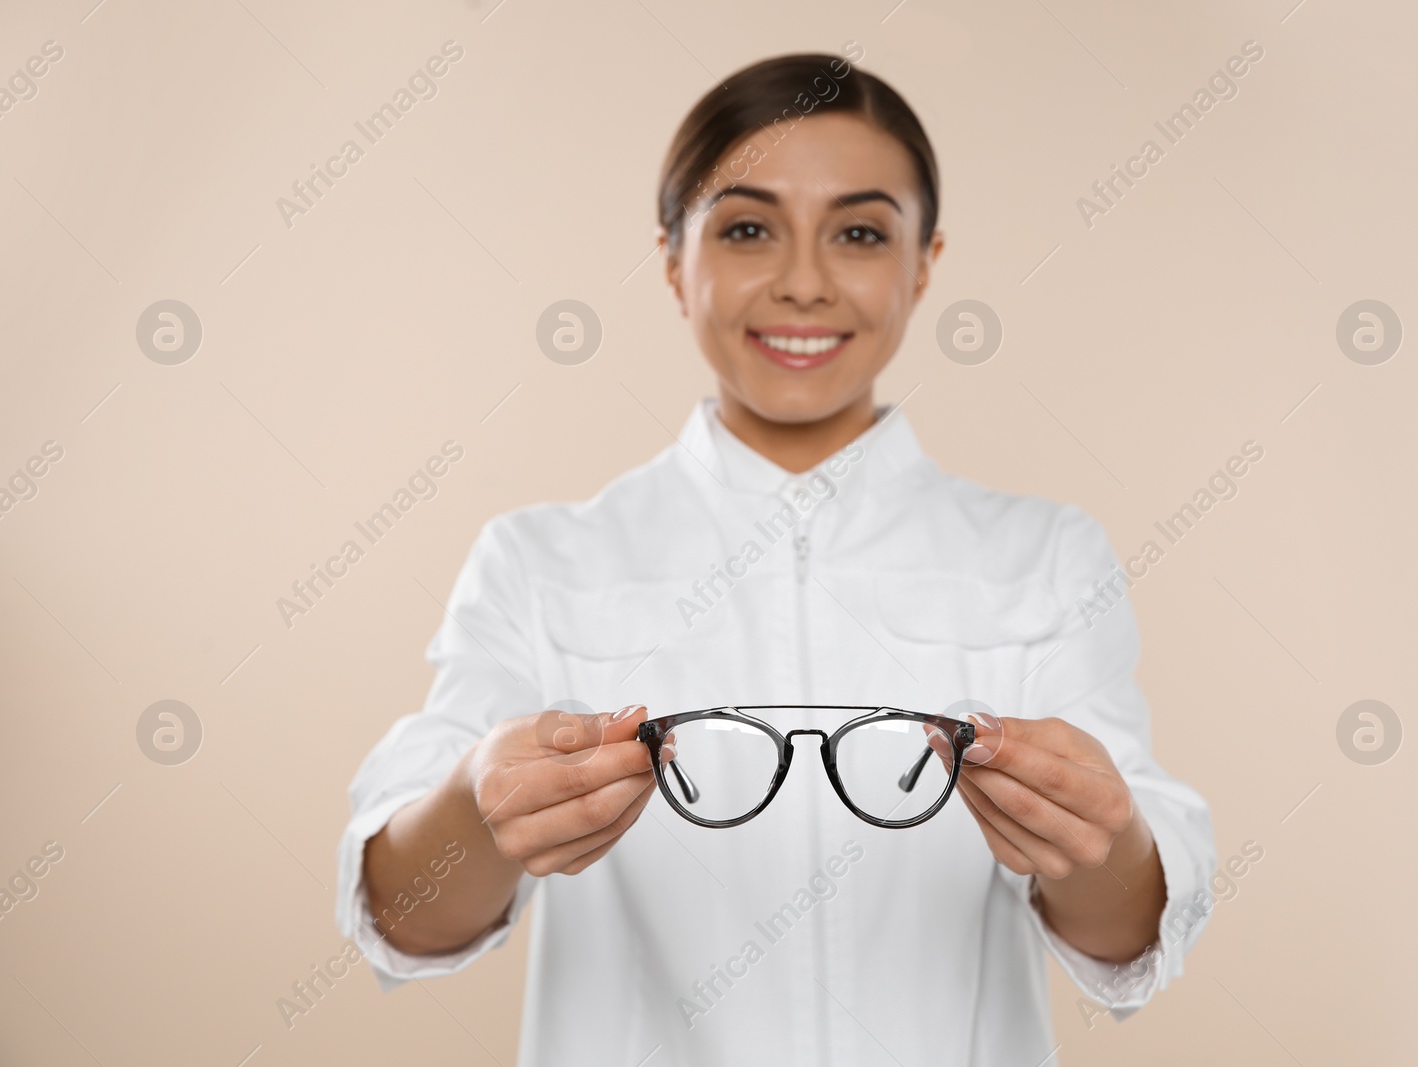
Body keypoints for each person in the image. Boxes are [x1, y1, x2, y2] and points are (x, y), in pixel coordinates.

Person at [336, 51, 1216, 1066]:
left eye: (858, 232)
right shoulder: (541, 562)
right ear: (672, 259)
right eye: (748, 227)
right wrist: (476, 810)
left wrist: (1098, 841)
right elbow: (404, 915)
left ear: (924, 262)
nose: (803, 282)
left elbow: (1127, 926)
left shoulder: (1044, 557)